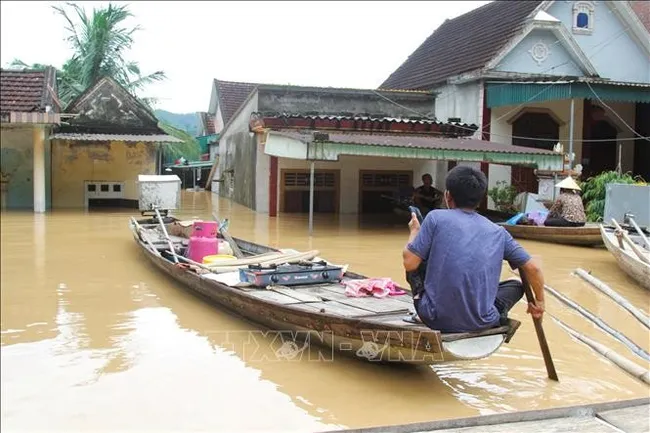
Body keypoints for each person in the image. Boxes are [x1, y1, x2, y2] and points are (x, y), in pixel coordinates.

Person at [402, 166, 545, 333]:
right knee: (517, 286)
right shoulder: (498, 231)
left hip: (434, 317)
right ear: (480, 199)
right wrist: (540, 302)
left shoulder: (435, 218)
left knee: (415, 256)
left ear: (448, 196)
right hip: (483, 321)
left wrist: (414, 232)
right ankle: (491, 313)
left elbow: (410, 263)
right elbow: (533, 269)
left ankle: (423, 309)